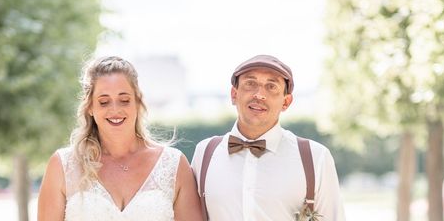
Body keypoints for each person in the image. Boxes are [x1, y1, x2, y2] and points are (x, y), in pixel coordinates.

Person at [38, 55, 204, 221]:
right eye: (104, 102)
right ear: (90, 107)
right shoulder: (62, 165)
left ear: (138, 103)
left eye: (124, 100)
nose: (115, 110)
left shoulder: (173, 165)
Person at [192, 54, 346, 221]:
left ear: (286, 102)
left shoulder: (316, 157)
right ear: (234, 94)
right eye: (250, 84)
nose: (259, 94)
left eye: (271, 86)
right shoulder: (205, 152)